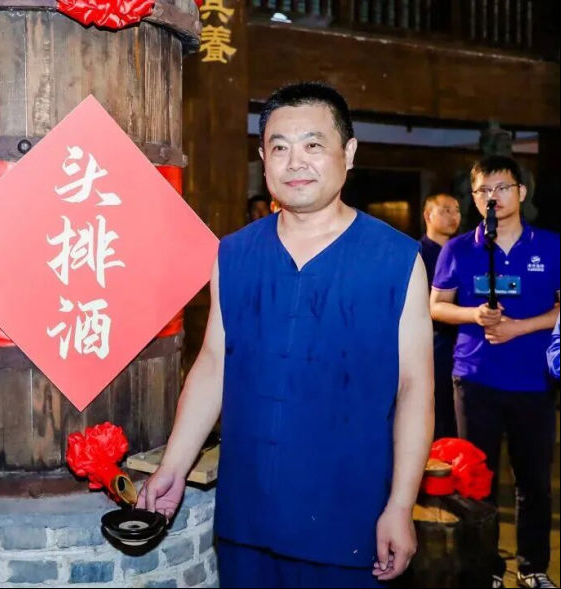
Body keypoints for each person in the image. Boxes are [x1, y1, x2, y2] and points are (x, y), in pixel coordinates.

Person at [137, 82, 433, 588]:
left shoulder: (396, 259)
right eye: (279, 147)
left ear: (349, 153)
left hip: (350, 517)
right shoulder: (234, 252)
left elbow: (415, 388)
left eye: (313, 145)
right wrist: (174, 465)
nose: (296, 162)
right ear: (263, 158)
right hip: (248, 515)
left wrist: (401, 505)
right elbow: (214, 363)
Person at [430, 155, 560, 589]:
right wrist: (473, 314)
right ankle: (483, 568)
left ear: (521, 192)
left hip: (533, 382)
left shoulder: (551, 246)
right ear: (474, 197)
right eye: (484, 190)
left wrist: (520, 326)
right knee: (475, 480)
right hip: (475, 379)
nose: (494, 197)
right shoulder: (458, 249)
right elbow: (436, 305)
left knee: (534, 481)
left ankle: (532, 566)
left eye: (502, 188)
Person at [419, 193, 462, 439]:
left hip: (462, 340)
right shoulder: (416, 253)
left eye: (456, 210)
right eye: (445, 210)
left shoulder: (464, 251)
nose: (453, 216)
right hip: (431, 343)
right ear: (428, 215)